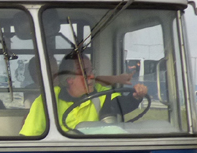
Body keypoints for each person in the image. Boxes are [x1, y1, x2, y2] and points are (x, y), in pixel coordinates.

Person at [19, 52, 148, 136]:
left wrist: (135, 97)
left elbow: (120, 105)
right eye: (85, 73)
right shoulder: (47, 100)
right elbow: (28, 138)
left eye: (92, 71)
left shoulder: (100, 93)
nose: (92, 76)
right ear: (69, 79)